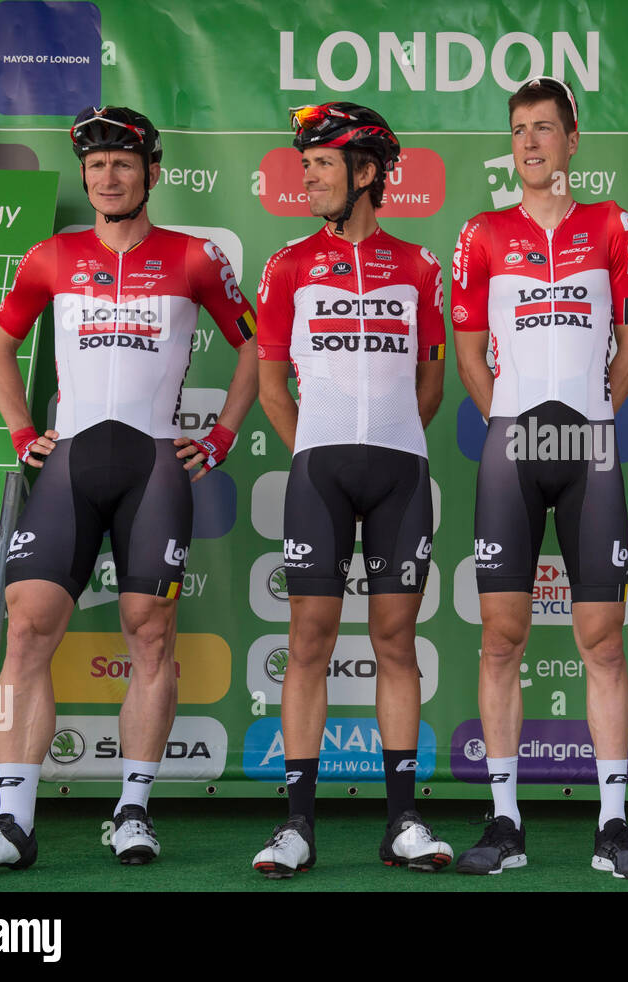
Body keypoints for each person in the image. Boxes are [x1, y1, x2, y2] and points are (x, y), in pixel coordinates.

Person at [0, 105, 258, 875]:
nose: (106, 176)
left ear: (151, 171)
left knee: (151, 635)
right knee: (27, 629)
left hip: (154, 465)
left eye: (121, 162)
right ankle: (14, 824)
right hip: (70, 465)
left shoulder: (194, 257)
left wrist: (218, 438)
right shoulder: (52, 255)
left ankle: (132, 810)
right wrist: (24, 434)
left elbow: (258, 349)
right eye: (94, 165)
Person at [450, 77, 628, 878]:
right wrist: (508, 421)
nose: (531, 142)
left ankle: (613, 825)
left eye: (544, 128)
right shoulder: (480, 233)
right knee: (500, 637)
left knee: (602, 641)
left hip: (591, 447)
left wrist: (593, 417)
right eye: (518, 130)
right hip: (510, 446)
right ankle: (504, 822)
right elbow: (469, 354)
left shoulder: (612, 225)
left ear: (573, 139)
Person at [251, 102, 451, 878]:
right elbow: (273, 385)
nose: (309, 178)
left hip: (401, 469)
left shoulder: (422, 266)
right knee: (309, 643)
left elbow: (431, 381)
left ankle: (402, 819)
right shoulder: (288, 265)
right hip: (318, 471)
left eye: (323, 165)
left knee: (396, 642)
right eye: (306, 166)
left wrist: (390, 439)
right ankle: (297, 825)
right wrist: (319, 452)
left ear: (367, 172)